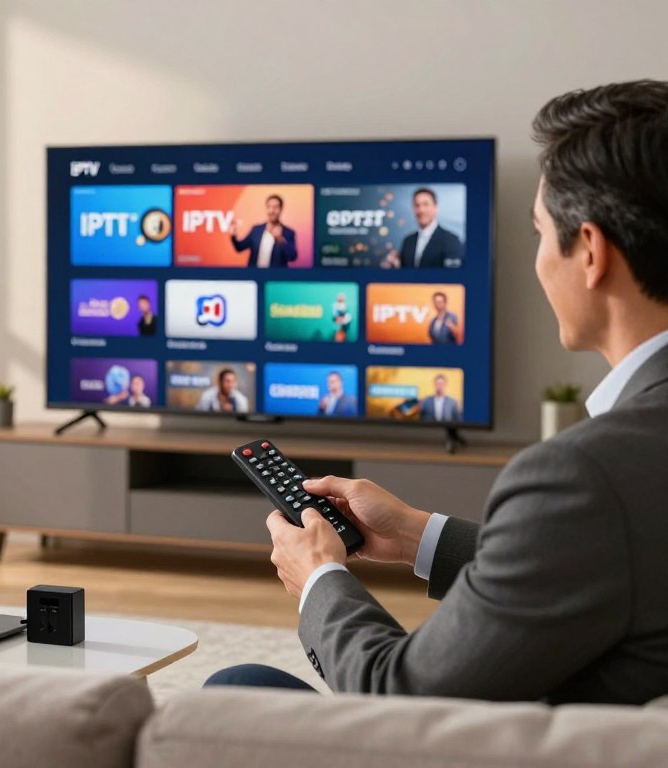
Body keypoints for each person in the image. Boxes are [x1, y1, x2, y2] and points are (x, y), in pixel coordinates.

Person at [206, 80, 668, 705]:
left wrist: (318, 577)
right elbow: (609, 561)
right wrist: (420, 534)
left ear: (589, 251)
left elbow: (399, 691)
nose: (536, 262)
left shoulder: (584, 476)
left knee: (235, 689)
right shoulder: (619, 481)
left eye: (537, 233)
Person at [383, 188, 464, 268]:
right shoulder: (408, 241)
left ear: (436, 208)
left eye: (426, 204)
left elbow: (453, 277)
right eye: (417, 205)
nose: (421, 210)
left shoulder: (451, 240)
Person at [229, 194, 298, 268]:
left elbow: (292, 257)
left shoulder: (289, 232)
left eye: (275, 207)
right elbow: (239, 248)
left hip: (275, 278)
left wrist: (280, 240)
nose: (271, 211)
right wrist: (233, 235)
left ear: (281, 209)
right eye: (269, 207)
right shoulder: (256, 230)